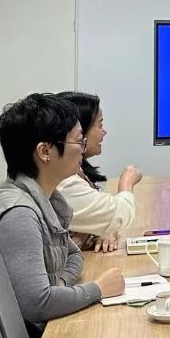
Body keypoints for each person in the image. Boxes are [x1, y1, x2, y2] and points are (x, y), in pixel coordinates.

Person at [0, 93, 124, 338]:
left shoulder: (45, 198)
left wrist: (57, 286)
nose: (83, 149)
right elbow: (37, 303)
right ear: (45, 151)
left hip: (29, 329)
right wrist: (98, 289)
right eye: (78, 141)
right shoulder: (19, 214)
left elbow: (74, 256)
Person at [56, 91, 142, 253]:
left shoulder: (73, 172)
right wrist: (127, 181)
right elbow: (118, 215)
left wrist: (98, 229)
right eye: (100, 125)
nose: (104, 132)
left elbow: (100, 218)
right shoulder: (64, 183)